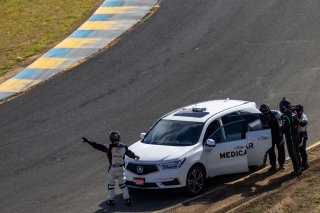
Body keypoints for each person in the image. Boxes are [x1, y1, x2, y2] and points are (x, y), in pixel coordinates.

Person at [82, 131, 140, 206]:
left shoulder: (109, 147)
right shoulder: (124, 147)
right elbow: (130, 153)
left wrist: (88, 141)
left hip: (113, 169)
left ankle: (111, 200)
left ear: (111, 139)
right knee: (123, 185)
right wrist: (135, 156)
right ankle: (127, 200)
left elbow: (98, 146)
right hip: (121, 169)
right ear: (119, 138)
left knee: (111, 185)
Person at [279, 97, 302, 176]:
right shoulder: (293, 113)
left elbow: (283, 127)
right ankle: (300, 167)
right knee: (296, 152)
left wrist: (280, 129)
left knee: (293, 153)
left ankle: (297, 170)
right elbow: (298, 122)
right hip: (296, 135)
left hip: (291, 138)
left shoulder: (285, 116)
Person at [259, 104, 285, 172]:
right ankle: (273, 166)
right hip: (269, 136)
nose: (265, 112)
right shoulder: (260, 116)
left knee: (281, 150)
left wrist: (282, 130)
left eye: (266, 111)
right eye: (263, 111)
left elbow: (283, 119)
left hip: (279, 135)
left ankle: (281, 164)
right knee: (270, 151)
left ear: (268, 109)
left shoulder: (276, 113)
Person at [294, 104, 309, 170]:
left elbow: (303, 123)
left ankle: (305, 164)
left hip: (302, 135)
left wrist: (298, 121)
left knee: (302, 150)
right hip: (297, 135)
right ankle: (301, 164)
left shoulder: (303, 116)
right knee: (298, 151)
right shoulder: (296, 116)